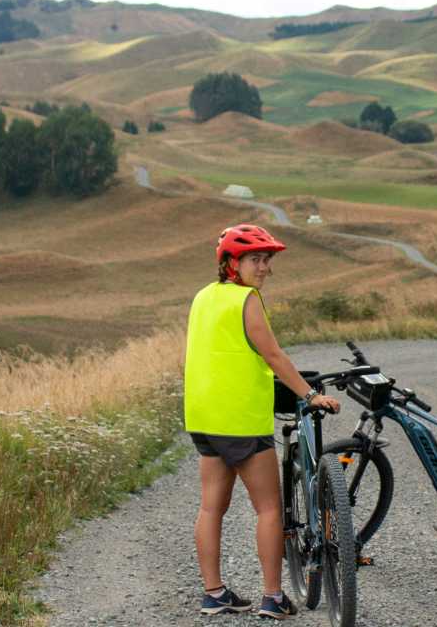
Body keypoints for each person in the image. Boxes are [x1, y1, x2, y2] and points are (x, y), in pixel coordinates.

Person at [185, 223, 341, 619]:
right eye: (255, 259)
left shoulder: (203, 296)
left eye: (267, 260)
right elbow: (272, 355)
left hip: (204, 418)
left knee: (211, 508)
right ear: (231, 263)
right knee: (269, 509)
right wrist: (310, 395)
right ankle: (273, 597)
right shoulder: (247, 299)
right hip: (241, 421)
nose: (265, 267)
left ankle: (214, 594)